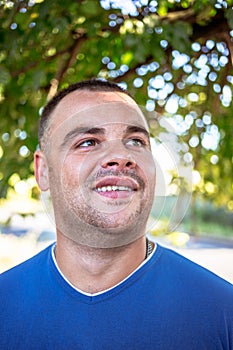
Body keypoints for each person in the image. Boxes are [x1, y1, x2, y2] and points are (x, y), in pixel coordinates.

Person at [0, 79, 232, 350]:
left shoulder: (222, 314)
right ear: (43, 171)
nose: (120, 156)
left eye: (135, 141)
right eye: (87, 142)